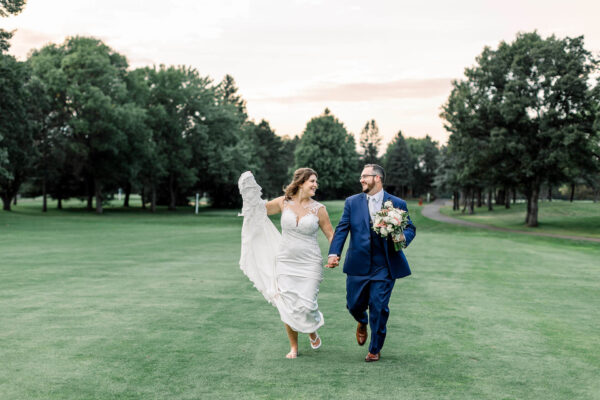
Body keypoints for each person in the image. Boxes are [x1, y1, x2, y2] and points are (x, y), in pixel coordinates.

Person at [238, 168, 335, 359]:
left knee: (307, 306)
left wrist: (334, 254)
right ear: (300, 183)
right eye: (312, 181)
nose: (315, 185)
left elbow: (331, 234)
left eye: (316, 181)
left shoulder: (319, 209)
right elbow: (259, 211)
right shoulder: (284, 202)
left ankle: (312, 329)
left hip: (310, 263)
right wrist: (249, 189)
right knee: (287, 304)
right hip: (284, 262)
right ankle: (293, 347)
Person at [327, 164, 416, 362]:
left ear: (377, 178)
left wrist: (401, 236)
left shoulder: (397, 202)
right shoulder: (352, 202)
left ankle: (375, 348)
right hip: (357, 264)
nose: (361, 180)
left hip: (384, 264)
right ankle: (361, 320)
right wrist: (334, 253)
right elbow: (342, 228)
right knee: (353, 305)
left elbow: (410, 227)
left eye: (364, 176)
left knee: (379, 306)